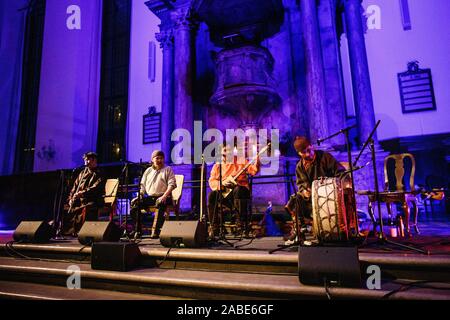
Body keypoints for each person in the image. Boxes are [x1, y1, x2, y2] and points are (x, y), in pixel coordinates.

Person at [285, 136, 345, 241]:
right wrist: (304, 191)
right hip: (312, 200)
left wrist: (339, 185)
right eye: (304, 152)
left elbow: (340, 173)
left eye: (309, 150)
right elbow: (301, 184)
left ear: (312, 146)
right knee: (295, 199)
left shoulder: (325, 157)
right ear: (299, 153)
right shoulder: (300, 166)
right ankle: (299, 229)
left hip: (329, 197)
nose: (308, 154)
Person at [208, 145, 261, 238]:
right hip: (226, 192)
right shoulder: (217, 165)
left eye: (229, 150)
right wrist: (222, 184)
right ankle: (214, 227)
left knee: (238, 189)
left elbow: (253, 171)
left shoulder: (240, 161)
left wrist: (257, 160)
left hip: (241, 190)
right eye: (225, 150)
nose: (227, 153)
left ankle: (240, 225)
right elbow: (212, 181)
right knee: (212, 195)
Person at [130, 150, 176, 239]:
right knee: (134, 205)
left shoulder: (167, 169)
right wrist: (139, 196)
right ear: (152, 160)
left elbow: (172, 184)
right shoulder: (148, 171)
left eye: (161, 158)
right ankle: (138, 231)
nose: (159, 160)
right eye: (157, 158)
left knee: (160, 203)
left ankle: (155, 231)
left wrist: (164, 196)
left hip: (164, 197)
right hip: (150, 197)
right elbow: (142, 185)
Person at [63, 152, 105, 236]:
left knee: (86, 208)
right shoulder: (82, 173)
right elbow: (74, 188)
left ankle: (82, 232)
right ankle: (68, 231)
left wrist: (82, 193)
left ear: (94, 160)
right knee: (65, 207)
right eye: (85, 160)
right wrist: (71, 198)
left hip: (93, 200)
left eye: (87, 160)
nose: (85, 162)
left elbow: (95, 188)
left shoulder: (100, 173)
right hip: (80, 200)